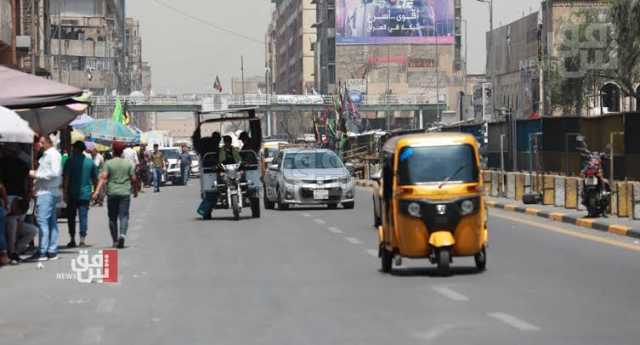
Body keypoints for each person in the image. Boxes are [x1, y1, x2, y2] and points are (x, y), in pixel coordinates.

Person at [93, 141, 138, 249]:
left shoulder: (108, 163)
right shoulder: (128, 164)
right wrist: (135, 190)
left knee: (112, 217)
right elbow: (134, 179)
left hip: (112, 193)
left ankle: (114, 240)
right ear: (122, 151)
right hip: (124, 193)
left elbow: (103, 178)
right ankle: (122, 235)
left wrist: (97, 192)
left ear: (113, 151)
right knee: (124, 216)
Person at [26, 135, 63, 262]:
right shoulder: (48, 155)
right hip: (47, 191)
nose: (39, 145)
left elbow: (54, 172)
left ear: (48, 142)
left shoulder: (53, 155)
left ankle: (43, 251)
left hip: (47, 192)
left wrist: (36, 174)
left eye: (41, 143)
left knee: (43, 222)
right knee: (50, 222)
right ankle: (51, 251)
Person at [63, 141, 98, 248]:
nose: (72, 150)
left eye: (73, 148)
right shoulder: (90, 162)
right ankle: (82, 240)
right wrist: (96, 192)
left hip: (72, 194)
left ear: (76, 149)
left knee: (71, 217)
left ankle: (72, 239)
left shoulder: (70, 161)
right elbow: (95, 179)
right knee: (83, 216)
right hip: (85, 194)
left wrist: (64, 192)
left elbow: (66, 178)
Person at [5, 196, 38, 265]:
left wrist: (16, 238)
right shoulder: (7, 201)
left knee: (33, 230)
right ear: (15, 206)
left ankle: (15, 252)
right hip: (5, 221)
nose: (18, 214)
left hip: (14, 222)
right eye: (17, 212)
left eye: (20, 213)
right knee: (12, 222)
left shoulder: (23, 206)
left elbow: (19, 224)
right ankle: (10, 252)